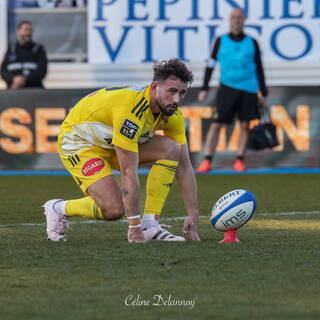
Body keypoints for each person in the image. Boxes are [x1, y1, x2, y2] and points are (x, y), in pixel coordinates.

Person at [43, 58, 201, 243]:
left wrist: (193, 212)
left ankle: (150, 225)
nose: (176, 100)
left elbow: (183, 165)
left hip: (111, 142)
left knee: (172, 149)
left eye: (182, 93)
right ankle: (59, 208)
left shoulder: (173, 115)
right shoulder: (132, 111)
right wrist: (133, 227)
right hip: (80, 142)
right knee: (114, 209)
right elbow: (128, 171)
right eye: (171, 91)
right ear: (154, 87)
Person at [197, 9, 268, 172]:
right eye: (233, 18)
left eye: (239, 17)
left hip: (249, 89)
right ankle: (207, 160)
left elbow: (259, 68)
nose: (236, 20)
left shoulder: (252, 42)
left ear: (244, 20)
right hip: (227, 88)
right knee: (216, 125)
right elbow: (210, 64)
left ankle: (240, 160)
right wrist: (204, 88)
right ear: (230, 20)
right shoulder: (220, 40)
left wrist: (263, 93)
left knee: (244, 125)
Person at [0, 21, 47, 89]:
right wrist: (13, 79)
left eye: (30, 30)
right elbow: (3, 71)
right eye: (25, 29)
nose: (28, 33)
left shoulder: (38, 49)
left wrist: (24, 80)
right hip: (13, 90)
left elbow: (42, 71)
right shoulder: (11, 49)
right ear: (18, 31)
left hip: (34, 90)